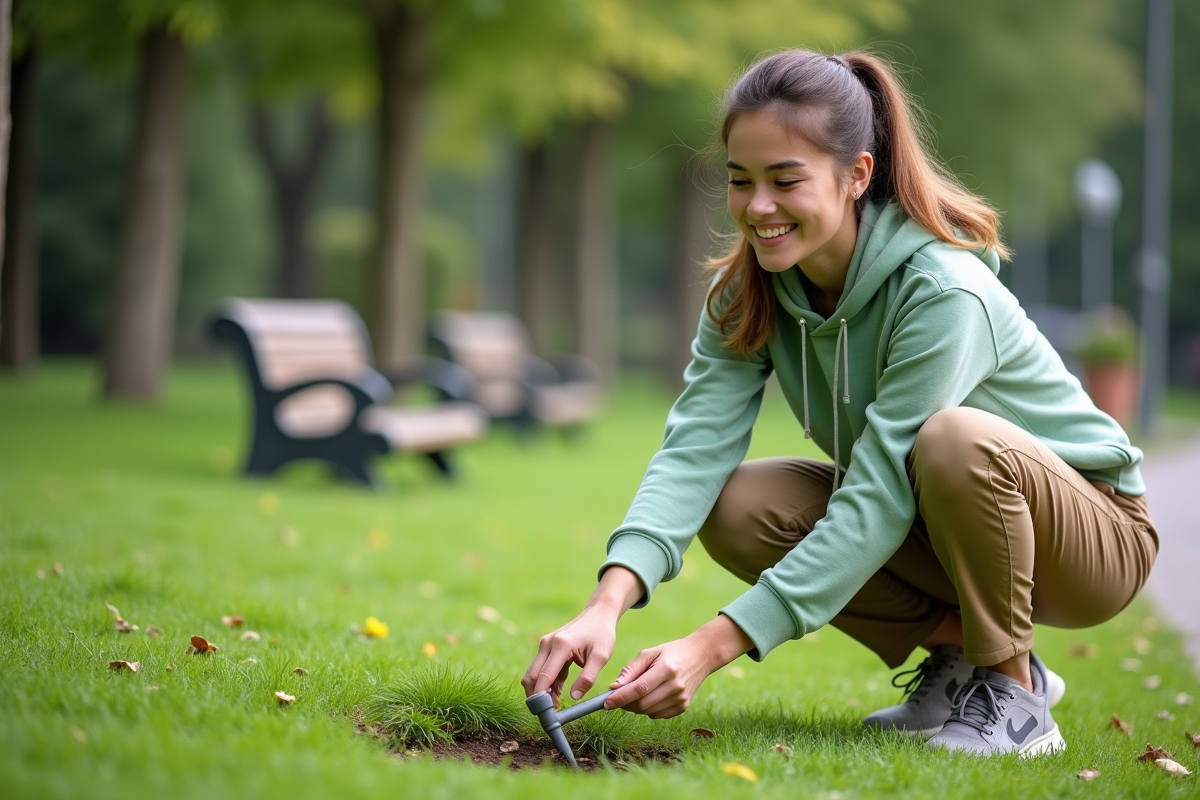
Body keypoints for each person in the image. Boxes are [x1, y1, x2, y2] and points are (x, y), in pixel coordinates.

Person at [521, 49, 1158, 757]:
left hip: (1091, 537)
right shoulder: (750, 292)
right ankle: (964, 661)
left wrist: (709, 647)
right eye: (740, 181)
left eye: (784, 180)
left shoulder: (942, 291)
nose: (758, 207)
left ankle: (1016, 695)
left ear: (856, 175)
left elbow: (880, 493)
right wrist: (607, 602)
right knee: (736, 504)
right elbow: (693, 451)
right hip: (940, 525)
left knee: (952, 439)